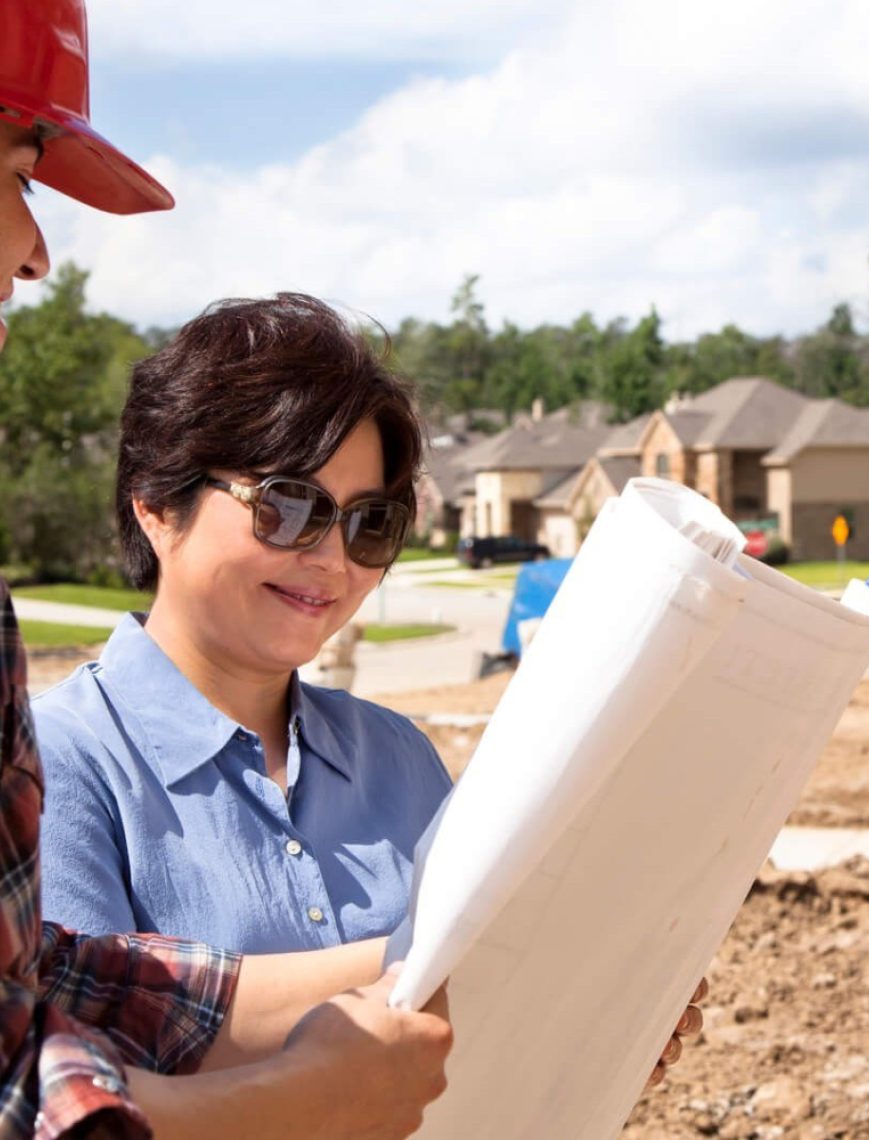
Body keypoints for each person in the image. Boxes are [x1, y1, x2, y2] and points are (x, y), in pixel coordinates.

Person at [1, 2, 455, 1136]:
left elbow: (67, 987)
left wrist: (530, 987)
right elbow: (44, 1070)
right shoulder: (70, 764)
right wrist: (305, 1094)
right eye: (290, 504)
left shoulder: (399, 758)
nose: (37, 247)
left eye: (370, 522)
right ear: (155, 499)